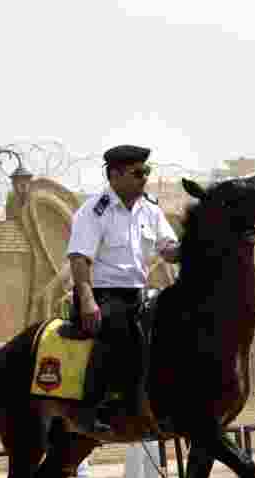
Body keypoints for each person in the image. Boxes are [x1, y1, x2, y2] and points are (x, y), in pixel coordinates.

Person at [66, 144, 181, 430]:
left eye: (147, 172)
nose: (145, 178)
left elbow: (167, 247)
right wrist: (87, 299)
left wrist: (189, 247)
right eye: (138, 173)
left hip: (139, 292)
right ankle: (98, 404)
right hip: (103, 293)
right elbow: (79, 257)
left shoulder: (149, 209)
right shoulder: (95, 211)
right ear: (115, 176)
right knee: (121, 327)